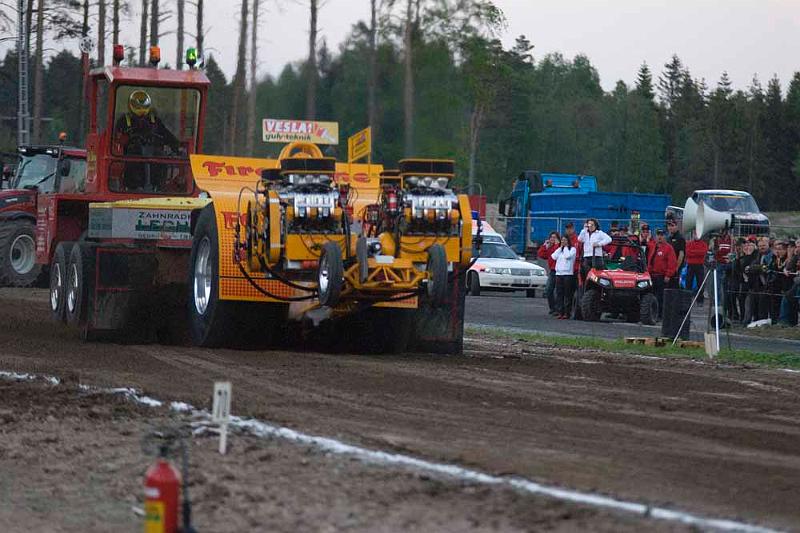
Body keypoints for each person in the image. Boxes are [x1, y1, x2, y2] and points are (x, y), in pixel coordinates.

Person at [114, 90, 181, 157]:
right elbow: (116, 140)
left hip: (155, 158)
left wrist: (177, 147)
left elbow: (166, 135)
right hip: (131, 157)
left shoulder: (155, 121)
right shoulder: (123, 121)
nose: (141, 118)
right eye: (137, 105)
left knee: (160, 155)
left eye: (143, 104)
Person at [648, 229, 677, 320]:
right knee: (653, 296)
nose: (660, 237)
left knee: (661, 297)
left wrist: (668, 275)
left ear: (665, 236)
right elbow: (650, 260)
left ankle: (661, 315)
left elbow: (672, 263)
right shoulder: (653, 247)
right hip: (653, 275)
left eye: (662, 235)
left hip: (662, 276)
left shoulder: (668, 248)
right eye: (658, 235)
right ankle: (653, 314)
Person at [551, 236, 577, 320]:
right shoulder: (560, 250)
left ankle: (567, 312)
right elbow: (553, 256)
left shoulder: (572, 249)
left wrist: (565, 247)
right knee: (559, 294)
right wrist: (560, 248)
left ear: (568, 241)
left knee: (567, 294)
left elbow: (567, 256)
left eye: (565, 240)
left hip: (568, 274)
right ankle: (560, 312)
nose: (563, 241)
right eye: (562, 240)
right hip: (559, 274)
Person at [538, 231, 560, 315]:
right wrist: (545, 246)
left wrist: (556, 245)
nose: (552, 239)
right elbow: (541, 255)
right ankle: (552, 307)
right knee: (549, 290)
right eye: (551, 237)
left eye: (554, 237)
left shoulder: (559, 247)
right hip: (552, 271)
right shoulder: (549, 247)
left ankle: (558, 308)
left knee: (558, 291)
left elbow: (556, 254)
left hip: (559, 271)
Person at [684, 234, 708, 304]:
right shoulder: (689, 243)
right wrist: (698, 253)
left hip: (699, 265)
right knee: (688, 283)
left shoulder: (703, 244)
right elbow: (688, 253)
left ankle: (700, 300)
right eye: (695, 234)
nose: (696, 236)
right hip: (690, 265)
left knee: (700, 283)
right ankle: (687, 300)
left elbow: (703, 252)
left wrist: (693, 252)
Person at [666, 219, 686, 287]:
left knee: (676, 286)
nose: (670, 228)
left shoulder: (680, 238)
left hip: (677, 268)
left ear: (676, 226)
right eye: (669, 226)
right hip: (669, 267)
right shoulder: (668, 238)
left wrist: (677, 267)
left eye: (672, 226)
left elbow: (681, 254)